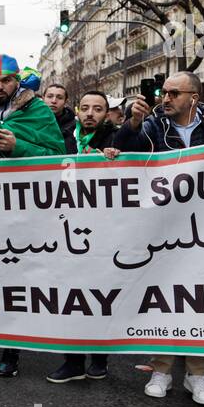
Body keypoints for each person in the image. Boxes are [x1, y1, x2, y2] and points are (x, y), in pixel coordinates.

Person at [109, 70, 204, 405]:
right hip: (164, 229)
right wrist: (130, 125)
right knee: (164, 295)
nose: (166, 98)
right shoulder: (153, 125)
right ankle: (162, 370)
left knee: (203, 297)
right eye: (165, 92)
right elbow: (123, 148)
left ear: (193, 98)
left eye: (174, 93)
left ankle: (198, 375)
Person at [0, 55, 67, 377]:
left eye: (5, 80)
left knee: (15, 279)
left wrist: (19, 146)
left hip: (24, 209)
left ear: (17, 80)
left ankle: (10, 351)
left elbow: (58, 156)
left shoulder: (39, 112)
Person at [46, 90, 118, 385]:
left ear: (106, 113)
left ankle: (99, 359)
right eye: (85, 108)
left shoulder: (115, 138)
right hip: (66, 225)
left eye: (98, 109)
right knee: (70, 293)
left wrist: (115, 157)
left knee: (100, 295)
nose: (90, 113)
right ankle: (72, 360)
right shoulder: (64, 136)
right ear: (78, 111)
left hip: (103, 227)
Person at [42, 83, 78, 155]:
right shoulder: (33, 122)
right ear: (43, 98)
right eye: (50, 96)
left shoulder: (76, 126)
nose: (54, 101)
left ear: (66, 101)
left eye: (59, 97)